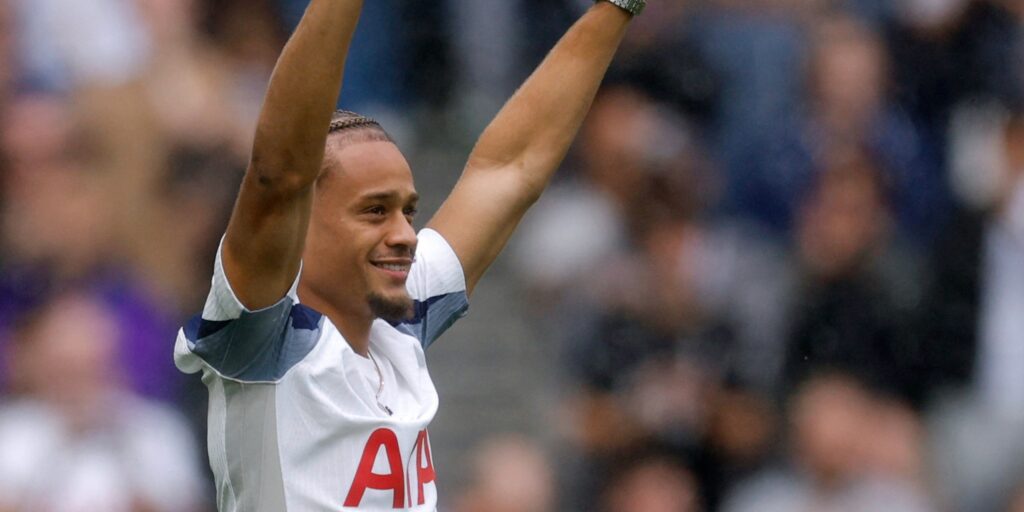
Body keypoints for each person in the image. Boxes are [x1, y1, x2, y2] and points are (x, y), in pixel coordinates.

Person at [172, 0, 643, 510]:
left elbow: (511, 168)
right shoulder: (258, 338)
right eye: (375, 211)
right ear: (299, 225)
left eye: (408, 212)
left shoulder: (397, 318)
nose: (405, 235)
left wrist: (620, 5)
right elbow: (280, 172)